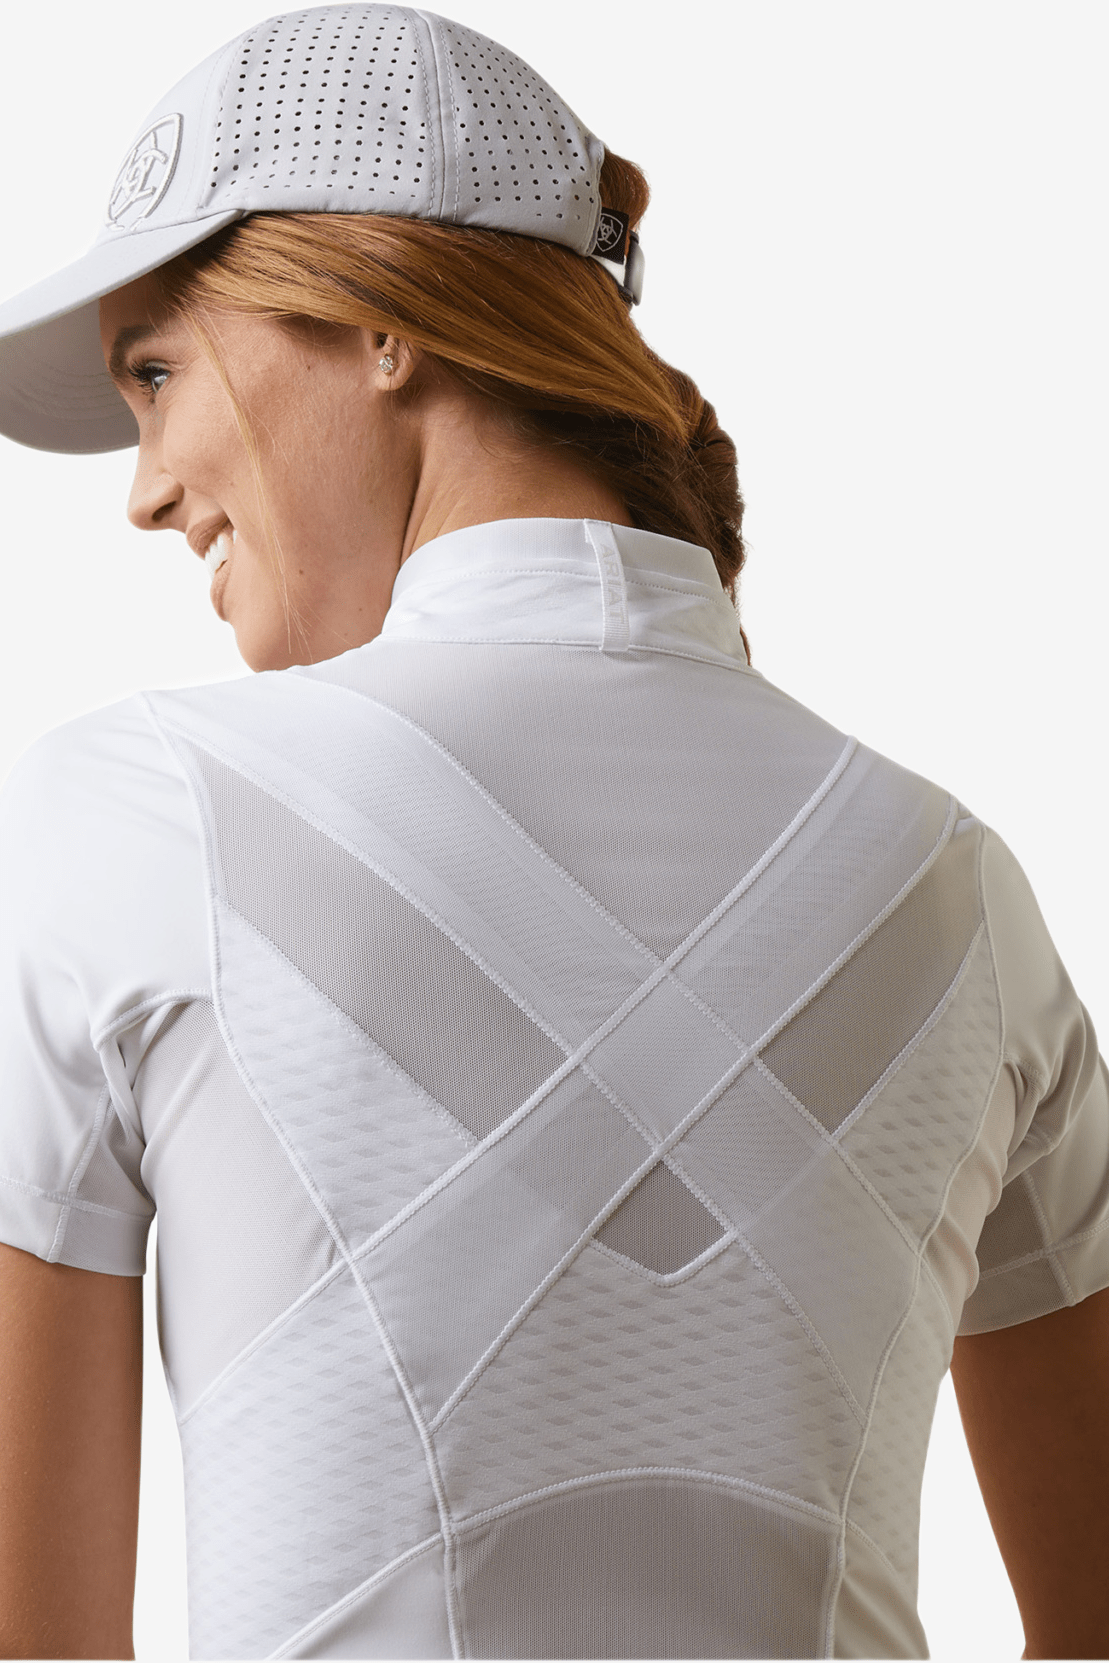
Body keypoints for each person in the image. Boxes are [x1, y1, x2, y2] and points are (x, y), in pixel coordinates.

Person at [0, 4, 1106, 1658]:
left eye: (156, 373)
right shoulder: (961, 888)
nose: (146, 487)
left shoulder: (135, 817)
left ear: (378, 323)